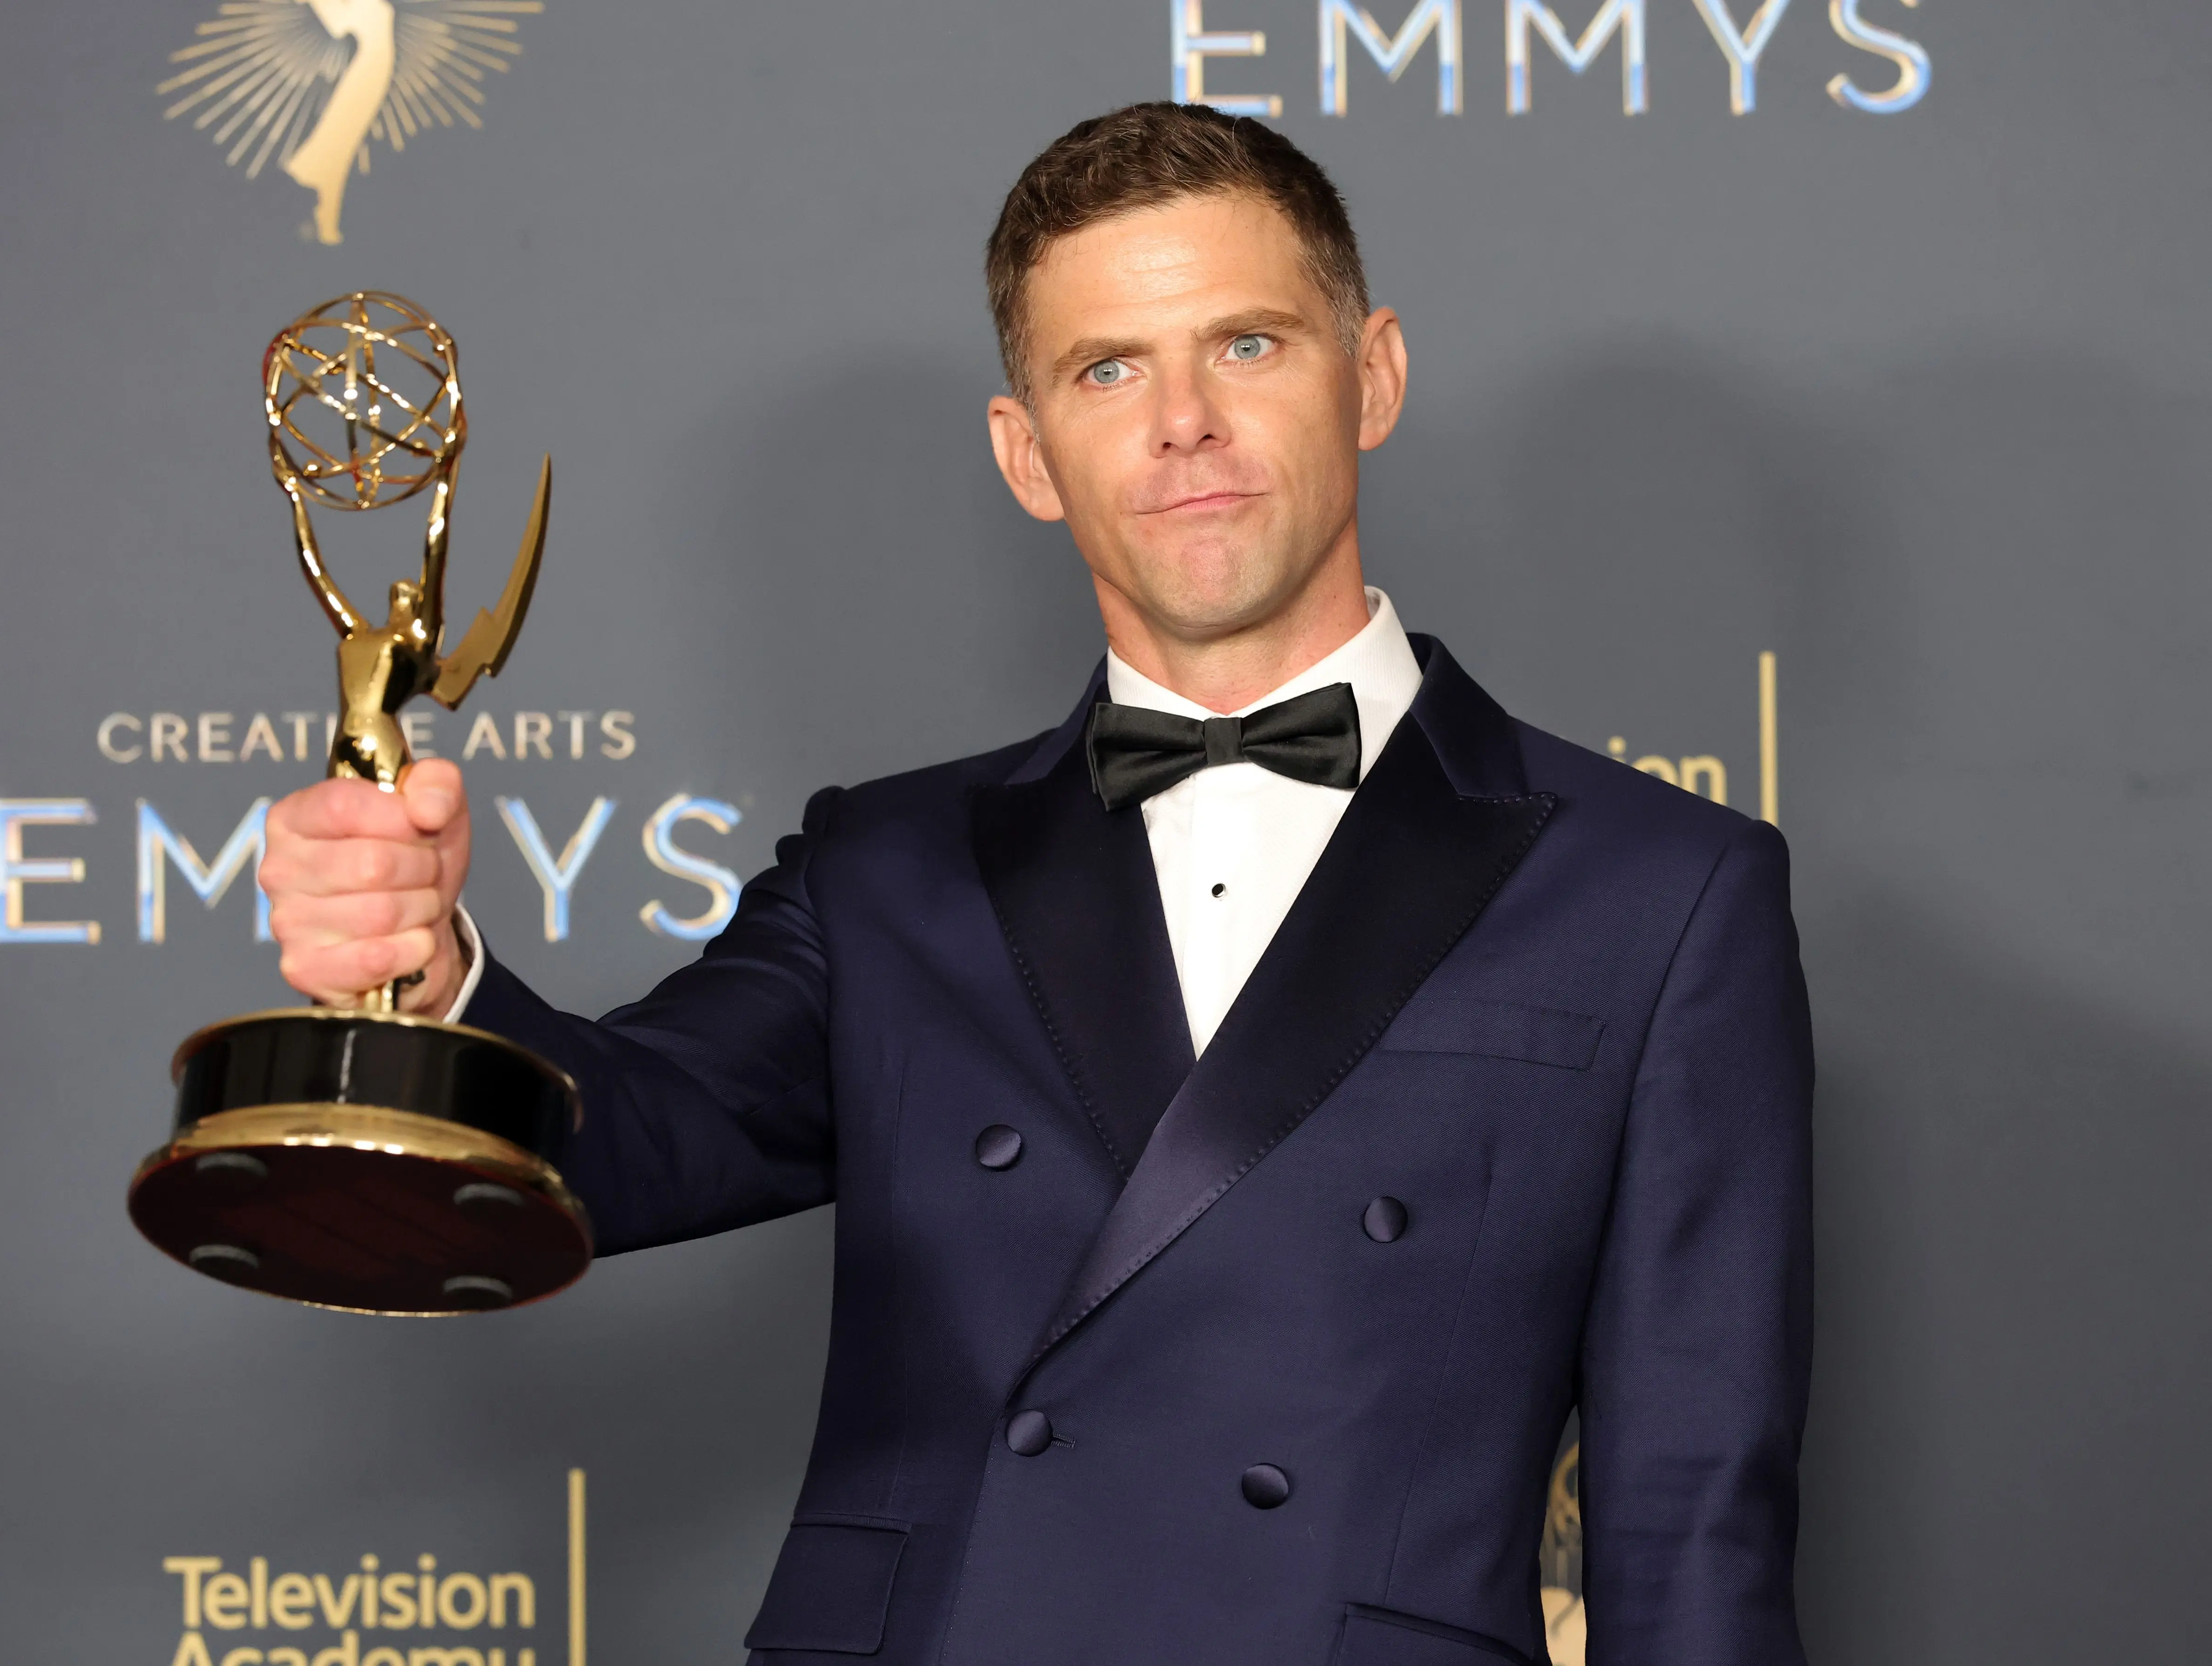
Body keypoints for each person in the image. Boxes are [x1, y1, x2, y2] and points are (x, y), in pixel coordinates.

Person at [258, 103, 1813, 1666]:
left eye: (1250, 346)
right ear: (1028, 454)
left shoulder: (1661, 889)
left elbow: (1694, 1518)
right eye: (1109, 368)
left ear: (1376, 377)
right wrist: (430, 971)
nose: (1183, 420)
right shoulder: (890, 868)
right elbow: (633, 1136)